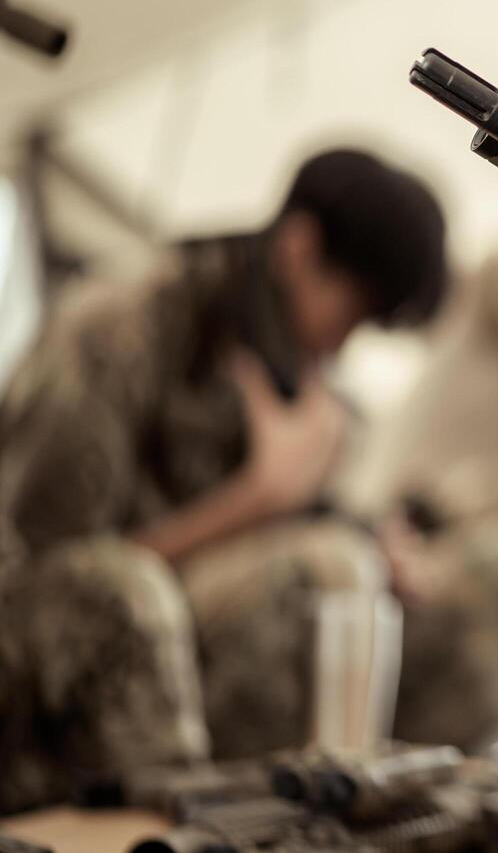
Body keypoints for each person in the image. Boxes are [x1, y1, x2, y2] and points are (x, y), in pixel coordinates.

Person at [0, 148, 447, 812]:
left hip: (167, 649)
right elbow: (53, 578)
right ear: (299, 248)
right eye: (351, 313)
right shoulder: (118, 326)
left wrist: (358, 532)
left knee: (363, 574)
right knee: (308, 574)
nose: (344, 344)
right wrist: (259, 499)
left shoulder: (287, 351)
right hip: (51, 660)